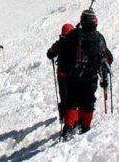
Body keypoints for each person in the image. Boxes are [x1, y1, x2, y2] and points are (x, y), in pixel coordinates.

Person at [57, 9, 113, 141]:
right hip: (90, 76)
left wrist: (65, 71)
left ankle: (68, 129)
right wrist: (104, 77)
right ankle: (85, 127)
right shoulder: (98, 37)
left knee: (71, 101)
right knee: (88, 101)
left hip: (73, 76)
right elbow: (107, 58)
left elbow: (63, 55)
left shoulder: (73, 36)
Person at [47, 23, 75, 121]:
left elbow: (50, 54)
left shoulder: (60, 43)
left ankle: (64, 115)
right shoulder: (76, 42)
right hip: (73, 75)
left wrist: (51, 52)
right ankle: (74, 117)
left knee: (64, 96)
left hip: (62, 75)